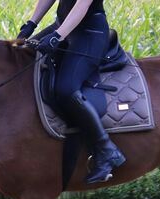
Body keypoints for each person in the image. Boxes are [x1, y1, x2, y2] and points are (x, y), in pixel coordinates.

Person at [17, 0, 126, 184]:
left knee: (66, 89)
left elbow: (82, 6)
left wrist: (57, 36)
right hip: (63, 26)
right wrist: (31, 23)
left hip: (90, 33)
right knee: (21, 57)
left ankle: (107, 150)